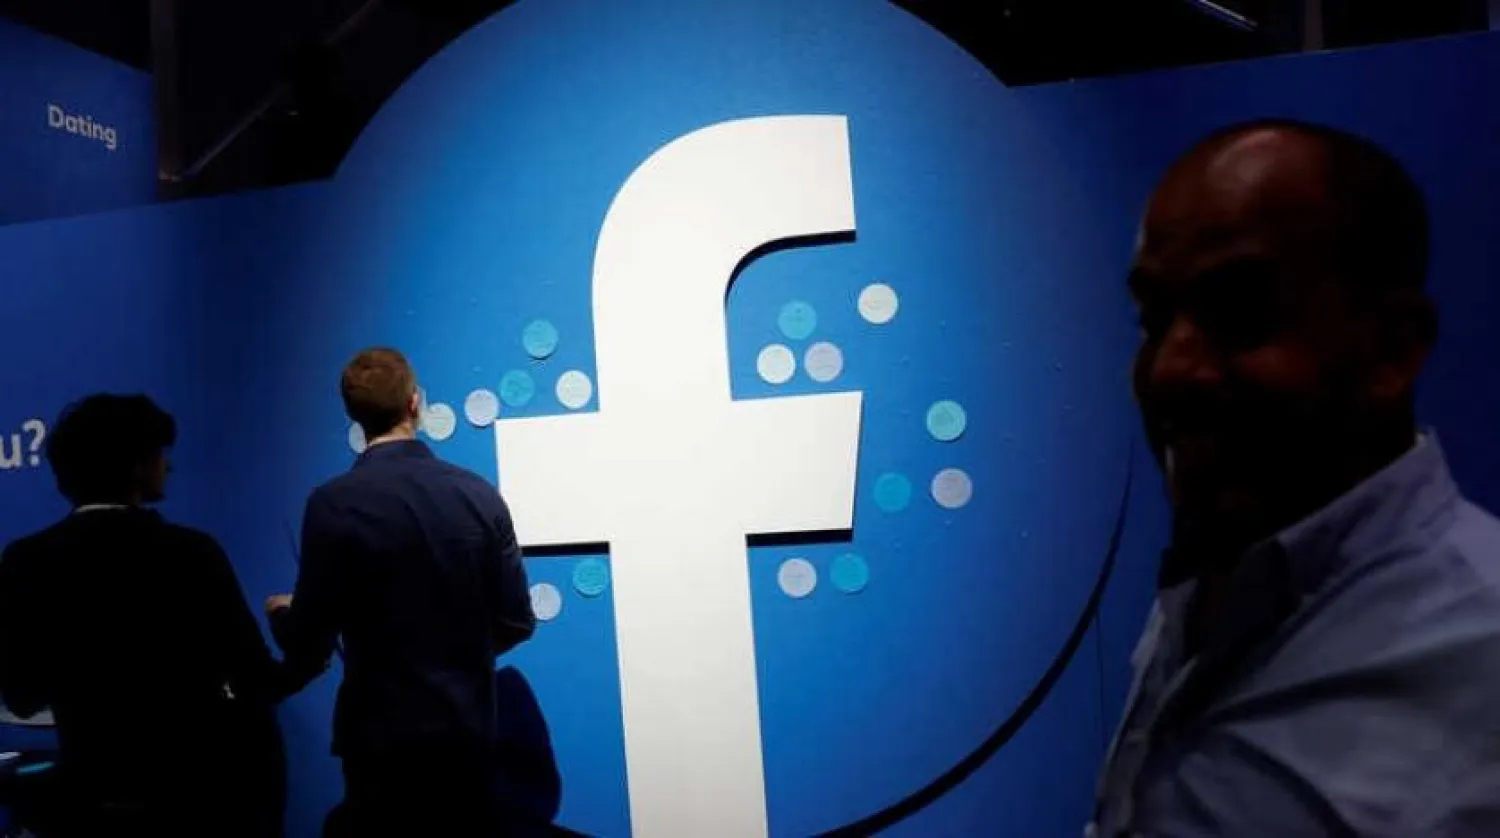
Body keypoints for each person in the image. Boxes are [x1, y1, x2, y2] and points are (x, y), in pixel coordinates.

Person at [1090, 119, 1500, 837]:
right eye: (1155, 317)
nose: (1169, 370)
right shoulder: (1220, 580)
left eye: (1240, 311)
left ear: (1393, 350)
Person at [267, 347, 536, 837]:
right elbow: (517, 621)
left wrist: (285, 614)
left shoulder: (331, 505)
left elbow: (310, 640)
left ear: (353, 415)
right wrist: (457, 650)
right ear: (416, 403)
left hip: (376, 741)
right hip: (464, 735)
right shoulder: (478, 495)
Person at [0, 394, 295, 837]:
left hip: (87, 805)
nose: (168, 466)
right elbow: (256, 681)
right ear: (137, 466)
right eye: (160, 454)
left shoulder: (26, 560)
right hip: (194, 804)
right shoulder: (191, 554)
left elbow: (22, 695)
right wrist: (305, 645)